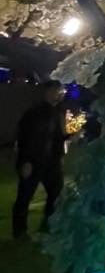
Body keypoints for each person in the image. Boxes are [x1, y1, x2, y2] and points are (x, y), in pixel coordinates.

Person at [12, 80, 66, 239]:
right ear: (48, 92)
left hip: (50, 163)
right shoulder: (34, 113)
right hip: (34, 161)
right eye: (56, 91)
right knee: (25, 196)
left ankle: (48, 225)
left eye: (60, 92)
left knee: (55, 192)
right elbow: (25, 138)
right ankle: (19, 231)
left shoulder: (55, 113)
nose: (59, 95)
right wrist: (26, 161)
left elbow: (56, 138)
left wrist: (68, 140)